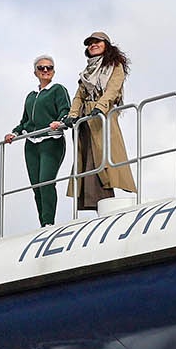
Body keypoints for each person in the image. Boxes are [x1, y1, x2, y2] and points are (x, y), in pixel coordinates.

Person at [66, 31, 137, 213]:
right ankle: (96, 205)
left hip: (103, 118)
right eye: (90, 43)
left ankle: (107, 204)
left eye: (97, 42)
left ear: (106, 44)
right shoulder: (87, 73)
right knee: (88, 161)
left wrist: (100, 107)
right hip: (86, 121)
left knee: (104, 161)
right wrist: (73, 114)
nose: (93, 45)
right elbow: (79, 96)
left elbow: (113, 89)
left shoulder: (114, 66)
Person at [5, 54, 71, 225]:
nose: (45, 70)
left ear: (53, 71)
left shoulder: (58, 89)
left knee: (45, 182)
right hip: (31, 145)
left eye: (49, 67)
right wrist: (15, 133)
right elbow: (25, 121)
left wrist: (60, 121)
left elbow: (66, 111)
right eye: (41, 68)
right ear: (35, 72)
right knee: (36, 186)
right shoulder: (31, 96)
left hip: (51, 141)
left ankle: (49, 222)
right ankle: (42, 223)